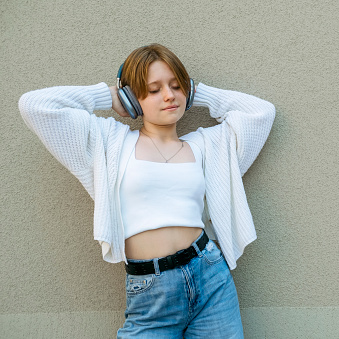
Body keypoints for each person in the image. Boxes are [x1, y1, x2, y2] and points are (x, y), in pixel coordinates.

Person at [18, 43, 275, 338]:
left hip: (210, 277)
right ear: (133, 99)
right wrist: (109, 96)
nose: (168, 96)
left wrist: (197, 92)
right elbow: (34, 106)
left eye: (176, 86)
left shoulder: (207, 146)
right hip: (150, 290)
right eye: (153, 90)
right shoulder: (110, 143)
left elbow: (261, 114)